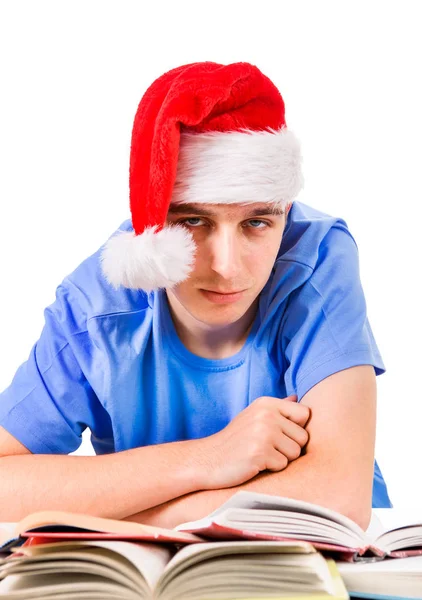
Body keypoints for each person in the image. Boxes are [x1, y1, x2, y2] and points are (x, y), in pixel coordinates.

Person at [0, 61, 391, 528]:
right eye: (192, 221)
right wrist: (207, 458)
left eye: (257, 223)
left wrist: (117, 513)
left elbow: (340, 494)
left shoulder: (318, 259)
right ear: (153, 225)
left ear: (286, 214)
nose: (226, 267)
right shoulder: (97, 303)